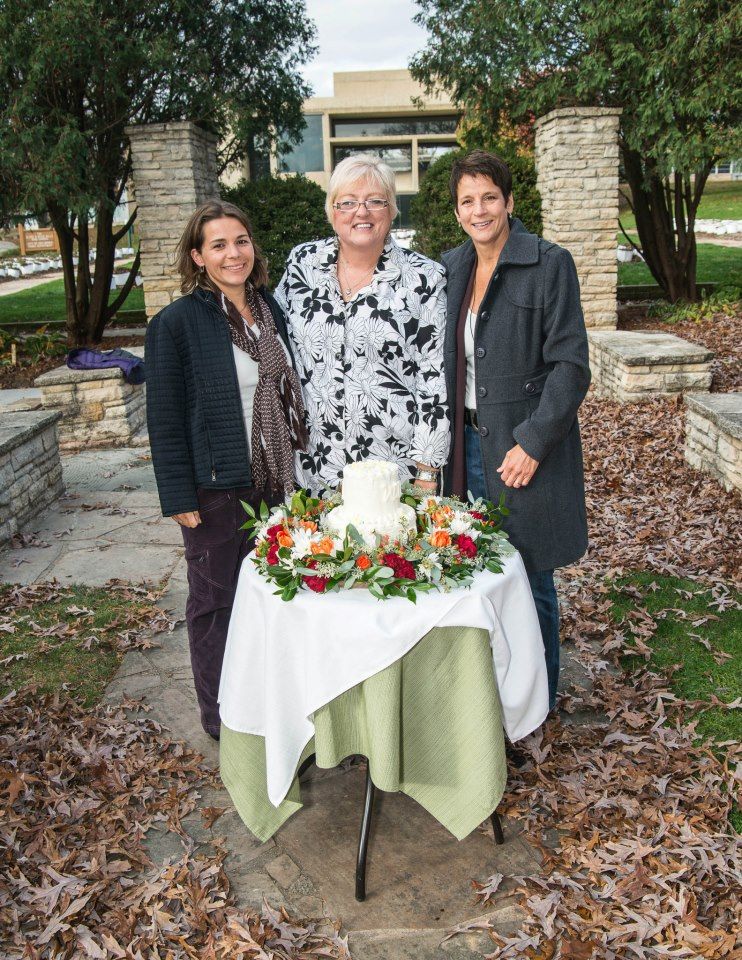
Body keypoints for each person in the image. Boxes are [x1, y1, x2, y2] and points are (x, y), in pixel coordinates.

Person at [145, 200, 306, 740]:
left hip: (277, 481)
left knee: (277, 601)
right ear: (197, 256)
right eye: (218, 244)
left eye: (240, 240)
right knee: (216, 604)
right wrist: (177, 495)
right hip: (215, 488)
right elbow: (163, 415)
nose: (233, 253)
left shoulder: (270, 310)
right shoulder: (176, 323)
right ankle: (222, 720)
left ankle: (270, 704)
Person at [441, 151, 591, 712]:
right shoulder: (451, 269)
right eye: (467, 201)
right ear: (457, 212)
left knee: (530, 581)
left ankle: (539, 703)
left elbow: (571, 366)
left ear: (508, 202)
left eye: (488, 198)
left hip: (521, 447)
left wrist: (533, 441)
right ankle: (490, 703)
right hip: (465, 449)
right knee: (475, 576)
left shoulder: (549, 263)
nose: (479, 210)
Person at [275, 155, 449, 495]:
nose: (362, 212)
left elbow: (434, 376)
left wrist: (427, 472)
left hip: (394, 473)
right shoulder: (302, 266)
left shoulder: (424, 279)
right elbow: (274, 340)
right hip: (314, 467)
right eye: (348, 202)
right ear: (332, 210)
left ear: (392, 209)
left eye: (375, 201)